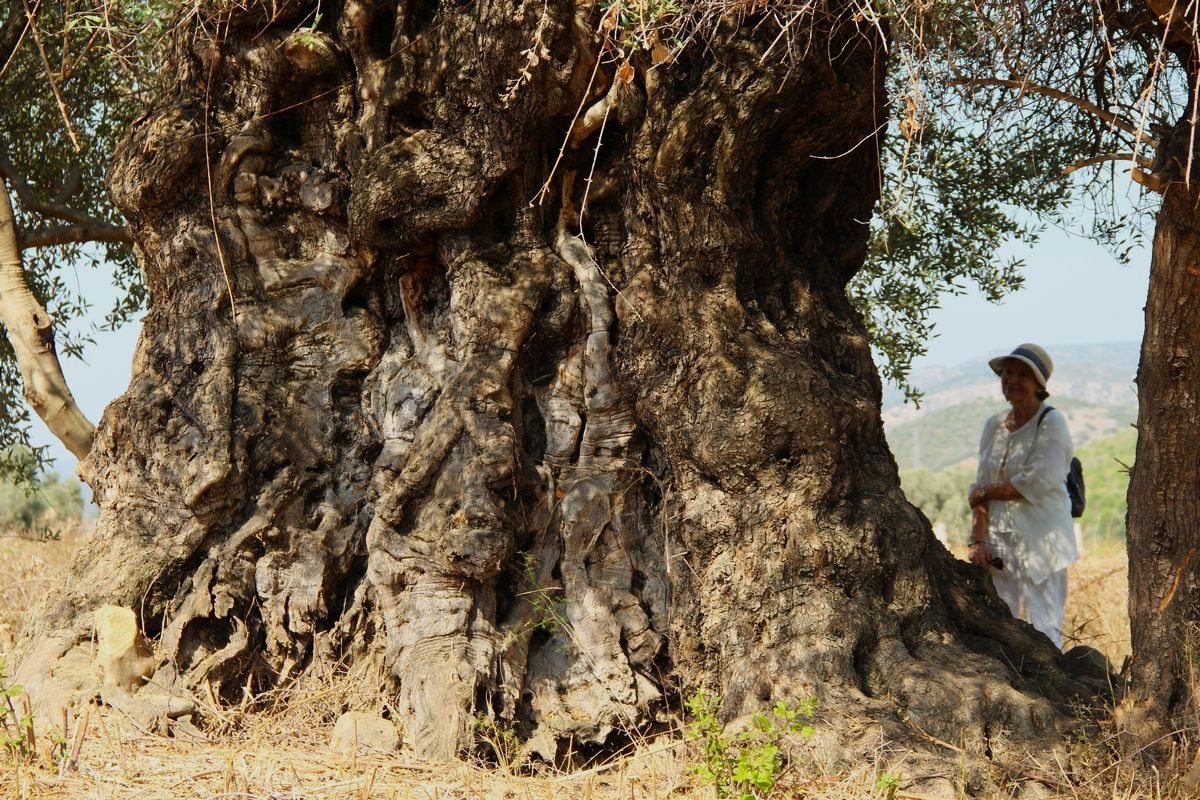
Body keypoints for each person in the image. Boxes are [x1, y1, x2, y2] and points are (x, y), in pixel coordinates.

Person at [967, 343, 1079, 648]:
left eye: (1022, 375)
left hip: (1043, 540)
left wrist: (983, 492)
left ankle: (1050, 691)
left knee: (1044, 626)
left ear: (1039, 384)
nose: (1011, 380)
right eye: (1007, 373)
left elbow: (1034, 482)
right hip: (1001, 543)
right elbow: (980, 485)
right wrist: (978, 540)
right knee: (1003, 623)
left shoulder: (1052, 422)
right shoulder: (994, 425)